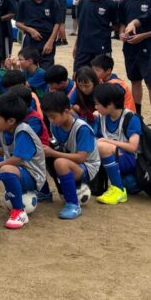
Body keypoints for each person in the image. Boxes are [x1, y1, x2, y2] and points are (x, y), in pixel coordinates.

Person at [0, 91, 47, 230]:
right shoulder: (1, 129)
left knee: (5, 169)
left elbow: (18, 159)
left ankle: (19, 212)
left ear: (11, 121)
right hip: (17, 169)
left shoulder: (23, 131)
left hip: (33, 175)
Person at [40, 90, 101, 219]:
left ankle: (73, 205)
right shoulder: (56, 125)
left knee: (59, 162)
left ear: (66, 111)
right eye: (48, 117)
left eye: (53, 116)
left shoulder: (82, 129)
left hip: (87, 167)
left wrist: (53, 153)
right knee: (43, 153)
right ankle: (45, 193)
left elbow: (81, 158)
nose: (51, 120)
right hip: (71, 161)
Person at [93, 82, 141, 205]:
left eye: (98, 104)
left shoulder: (131, 118)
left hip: (130, 159)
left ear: (110, 104)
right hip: (115, 157)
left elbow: (133, 147)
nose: (95, 107)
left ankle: (119, 190)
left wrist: (107, 141)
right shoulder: (102, 117)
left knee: (102, 146)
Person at [72, 0, 117, 71]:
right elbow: (81, 26)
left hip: (101, 48)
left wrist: (103, 31)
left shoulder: (110, 4)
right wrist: (76, 45)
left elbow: (116, 25)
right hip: (83, 47)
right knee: (78, 75)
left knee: (100, 76)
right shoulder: (82, 2)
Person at [15, 0, 61, 69]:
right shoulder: (24, 2)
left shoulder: (52, 2)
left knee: (46, 70)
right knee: (28, 68)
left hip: (47, 39)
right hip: (30, 40)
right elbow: (18, 23)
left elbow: (57, 23)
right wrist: (30, 30)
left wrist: (50, 41)